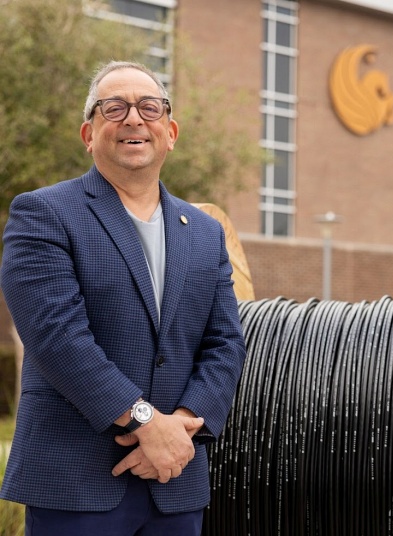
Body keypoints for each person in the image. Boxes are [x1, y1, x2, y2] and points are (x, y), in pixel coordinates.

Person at [0, 61, 247, 535]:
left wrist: (183, 425)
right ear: (88, 134)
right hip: (75, 482)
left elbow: (225, 344)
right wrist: (146, 423)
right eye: (114, 107)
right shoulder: (43, 214)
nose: (134, 118)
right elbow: (56, 338)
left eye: (148, 107)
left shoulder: (206, 234)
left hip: (174, 477)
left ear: (170, 132)